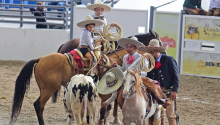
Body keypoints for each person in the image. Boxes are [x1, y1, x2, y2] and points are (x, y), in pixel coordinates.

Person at [138, 39, 179, 125]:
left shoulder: (169, 59)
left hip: (168, 92)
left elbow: (176, 76)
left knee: (171, 115)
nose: (150, 54)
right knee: (156, 115)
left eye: (152, 52)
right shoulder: (149, 62)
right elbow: (148, 77)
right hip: (154, 92)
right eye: (149, 52)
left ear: (157, 51)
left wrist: (174, 90)